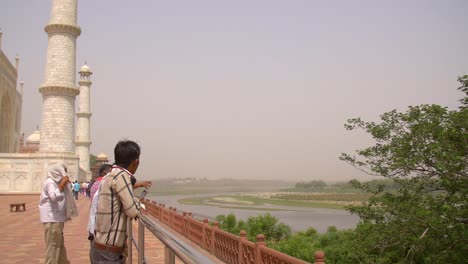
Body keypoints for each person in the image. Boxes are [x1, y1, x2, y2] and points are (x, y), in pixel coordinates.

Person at [92, 140, 144, 263]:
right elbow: (132, 211)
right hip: (109, 251)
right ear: (136, 161)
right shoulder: (122, 176)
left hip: (100, 246)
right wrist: (138, 204)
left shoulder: (109, 175)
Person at [39, 163, 78, 264]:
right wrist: (61, 185)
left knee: (59, 245)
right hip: (52, 219)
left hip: (56, 219)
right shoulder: (50, 182)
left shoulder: (55, 182)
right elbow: (53, 197)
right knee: (53, 246)